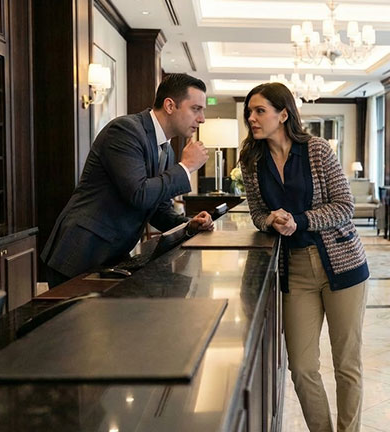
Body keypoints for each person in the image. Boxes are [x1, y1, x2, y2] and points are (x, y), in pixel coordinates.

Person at [239, 83, 369, 432]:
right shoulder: (251, 161)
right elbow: (256, 213)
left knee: (347, 364)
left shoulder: (317, 150)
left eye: (260, 110)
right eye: (249, 112)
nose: (251, 118)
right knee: (301, 367)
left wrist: (301, 220)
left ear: (283, 114)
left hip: (342, 265)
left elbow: (345, 206)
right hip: (294, 269)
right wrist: (270, 219)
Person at [41, 73, 214, 287]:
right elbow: (139, 194)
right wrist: (186, 167)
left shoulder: (166, 150)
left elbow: (158, 209)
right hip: (81, 252)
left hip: (113, 256)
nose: (202, 119)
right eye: (196, 109)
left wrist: (189, 225)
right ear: (170, 105)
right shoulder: (125, 131)